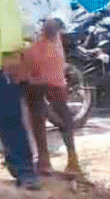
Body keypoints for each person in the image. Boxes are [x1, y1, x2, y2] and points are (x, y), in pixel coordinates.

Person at [22, 17, 79, 176]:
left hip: (41, 54)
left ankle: (56, 159)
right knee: (42, 110)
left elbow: (53, 24)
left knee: (49, 110)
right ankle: (49, 160)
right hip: (33, 54)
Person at [1, 0, 40, 189]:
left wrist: (20, 52)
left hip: (6, 62)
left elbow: (27, 22)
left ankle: (24, 170)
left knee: (10, 116)